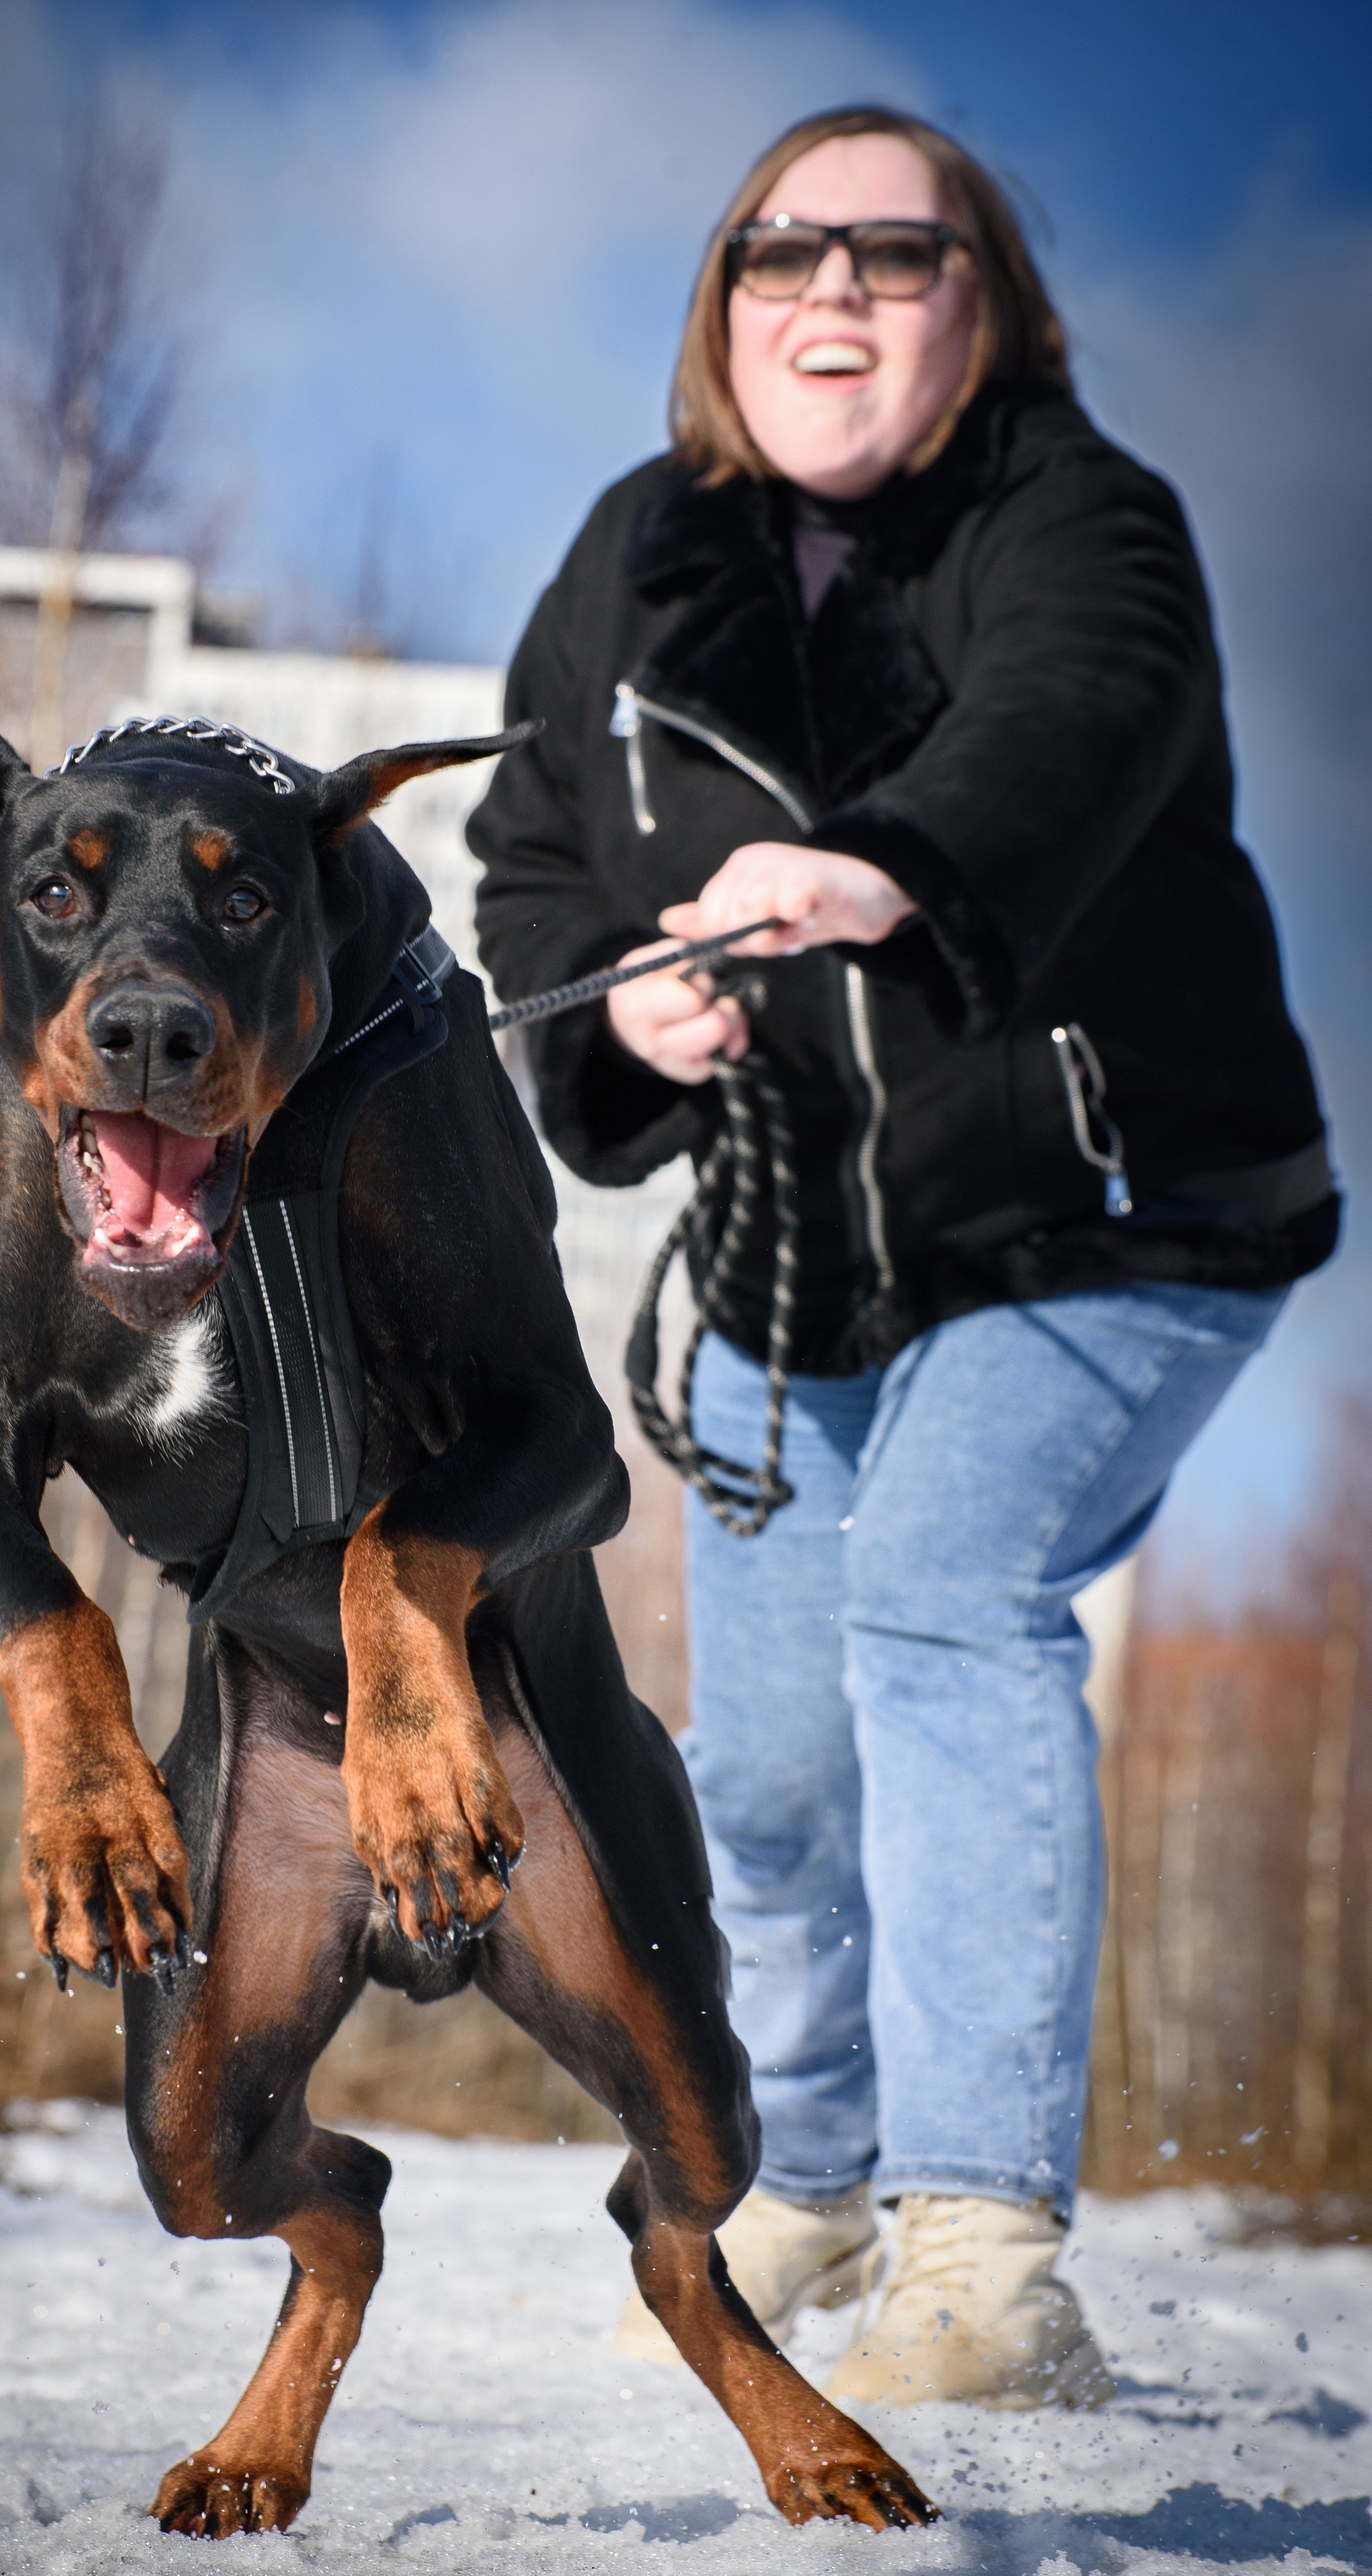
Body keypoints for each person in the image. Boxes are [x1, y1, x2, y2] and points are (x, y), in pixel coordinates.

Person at [467, 106, 1336, 2409]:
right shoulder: (631, 563)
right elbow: (532, 852)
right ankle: (821, 2166)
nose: (831, 290)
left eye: (893, 250)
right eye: (779, 250)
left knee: (943, 1591)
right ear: (720, 303)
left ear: (989, 307)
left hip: (1111, 1210)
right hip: (794, 1263)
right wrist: (620, 1012)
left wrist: (890, 863)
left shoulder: (1080, 519)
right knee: (756, 1761)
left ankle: (981, 2243)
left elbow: (1085, 713)